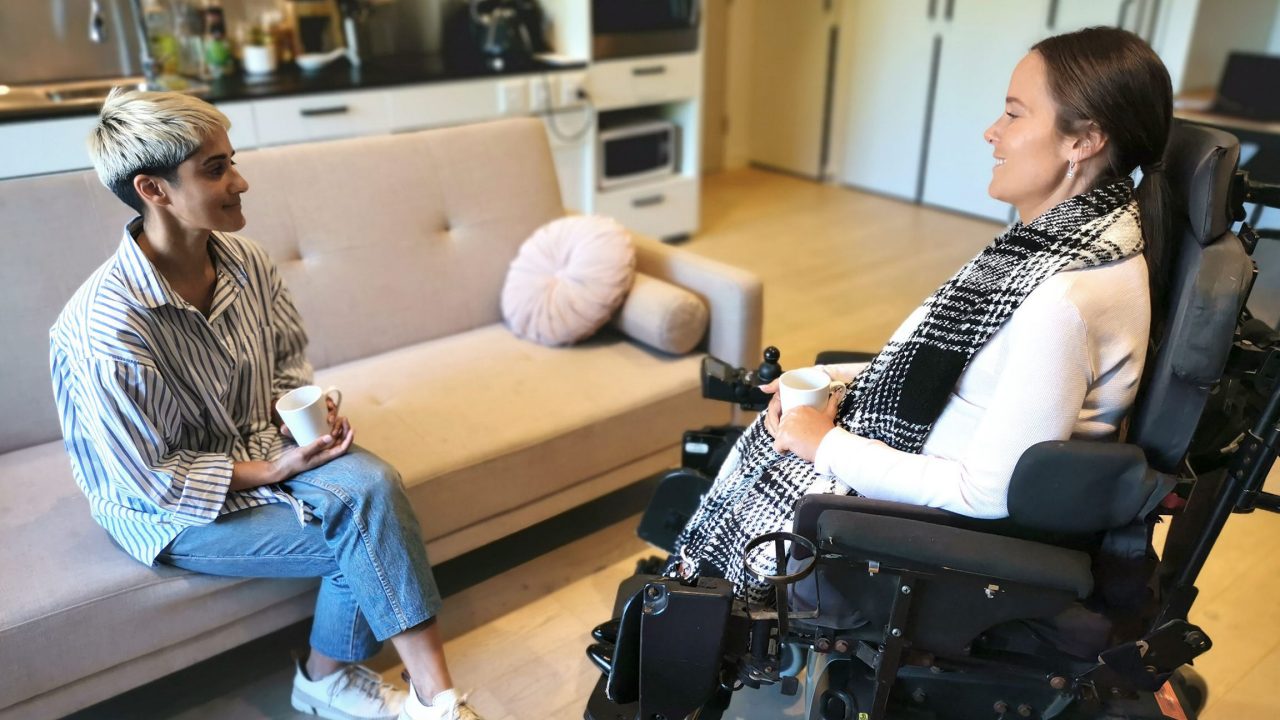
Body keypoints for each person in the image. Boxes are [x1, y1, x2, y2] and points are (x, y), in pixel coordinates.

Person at [671, 26, 1173, 603]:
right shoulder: (1065, 243)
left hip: (933, 532)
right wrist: (836, 380)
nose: (993, 132)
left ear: (1082, 140)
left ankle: (692, 609)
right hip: (923, 461)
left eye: (1014, 114)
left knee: (749, 492)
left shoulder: (1066, 299)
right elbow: (961, 376)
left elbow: (987, 494)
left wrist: (825, 445)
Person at [49, 88, 482, 720]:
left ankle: (407, 695)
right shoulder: (108, 329)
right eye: (216, 169)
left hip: (263, 444)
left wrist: (299, 417)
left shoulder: (246, 262)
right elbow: (150, 479)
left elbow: (286, 360)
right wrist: (277, 470)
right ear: (154, 189)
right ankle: (392, 696)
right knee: (366, 540)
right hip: (169, 507)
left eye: (233, 159)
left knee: (375, 489)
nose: (241, 181)